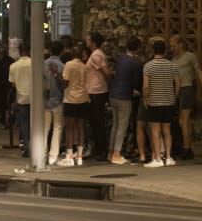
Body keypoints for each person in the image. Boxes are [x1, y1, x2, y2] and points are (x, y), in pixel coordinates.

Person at [169, 35, 202, 160]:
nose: (171, 48)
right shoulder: (173, 59)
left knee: (183, 121)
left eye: (173, 45)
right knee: (183, 121)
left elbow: (199, 72)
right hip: (178, 90)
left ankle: (187, 148)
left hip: (187, 89)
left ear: (180, 44)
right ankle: (186, 147)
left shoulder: (190, 56)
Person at [143, 39, 180, 168]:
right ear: (165, 51)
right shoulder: (172, 65)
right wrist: (174, 97)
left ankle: (158, 159)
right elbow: (177, 85)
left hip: (154, 102)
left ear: (153, 51)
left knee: (155, 131)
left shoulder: (148, 66)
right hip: (169, 101)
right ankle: (169, 157)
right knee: (167, 130)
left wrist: (145, 98)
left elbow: (146, 86)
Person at [108, 36, 143, 165]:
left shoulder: (121, 58)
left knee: (115, 125)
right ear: (138, 48)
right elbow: (135, 82)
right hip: (124, 96)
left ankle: (110, 152)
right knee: (122, 127)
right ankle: (116, 154)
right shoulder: (135, 63)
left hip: (113, 94)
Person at [58, 42, 89, 166]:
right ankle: (80, 156)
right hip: (84, 98)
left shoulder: (69, 65)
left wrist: (57, 76)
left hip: (71, 99)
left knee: (69, 128)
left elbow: (65, 82)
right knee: (80, 127)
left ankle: (69, 156)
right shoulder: (85, 66)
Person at [85, 32, 111, 161]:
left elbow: (106, 72)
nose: (86, 41)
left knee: (98, 122)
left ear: (93, 42)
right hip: (95, 90)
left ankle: (102, 150)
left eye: (88, 39)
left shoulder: (96, 55)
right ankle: (98, 149)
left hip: (97, 92)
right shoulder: (96, 54)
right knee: (95, 122)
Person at [9, 42, 32, 157]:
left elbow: (12, 83)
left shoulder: (13, 66)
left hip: (21, 98)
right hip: (34, 98)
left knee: (23, 124)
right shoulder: (34, 63)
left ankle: (26, 147)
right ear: (29, 51)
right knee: (34, 124)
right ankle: (35, 146)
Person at [44, 41, 65, 165]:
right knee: (57, 128)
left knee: (44, 129)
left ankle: (41, 153)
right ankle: (53, 156)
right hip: (58, 100)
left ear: (50, 51)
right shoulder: (62, 66)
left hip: (45, 100)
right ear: (61, 51)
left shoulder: (42, 64)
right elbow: (63, 84)